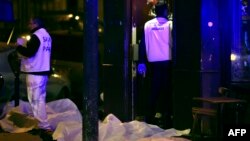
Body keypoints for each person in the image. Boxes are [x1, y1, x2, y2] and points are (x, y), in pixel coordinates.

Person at [138, 2, 173, 129]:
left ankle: (149, 118)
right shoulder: (170, 24)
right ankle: (166, 118)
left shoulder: (147, 25)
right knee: (166, 91)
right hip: (167, 62)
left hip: (152, 62)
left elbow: (142, 44)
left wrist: (142, 61)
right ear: (165, 11)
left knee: (152, 91)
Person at [16, 17, 52, 131]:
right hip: (43, 71)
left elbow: (29, 52)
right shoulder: (47, 36)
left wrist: (19, 46)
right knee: (40, 99)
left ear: (36, 24)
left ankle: (42, 126)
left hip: (35, 72)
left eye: (30, 23)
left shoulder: (36, 36)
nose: (29, 26)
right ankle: (42, 125)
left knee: (35, 100)